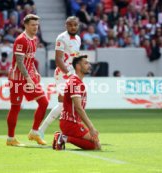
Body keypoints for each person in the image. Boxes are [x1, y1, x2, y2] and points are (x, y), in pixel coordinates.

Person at [6, 14, 48, 146]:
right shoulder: (20, 40)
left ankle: (34, 132)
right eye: (32, 25)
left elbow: (30, 60)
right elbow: (19, 62)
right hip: (18, 79)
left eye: (37, 25)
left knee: (44, 102)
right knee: (15, 107)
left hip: (29, 76)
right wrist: (28, 78)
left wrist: (35, 72)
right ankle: (10, 139)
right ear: (26, 25)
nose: (35, 27)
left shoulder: (34, 39)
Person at [38, 16, 81, 139]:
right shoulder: (61, 38)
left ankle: (71, 131)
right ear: (65, 26)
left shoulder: (78, 38)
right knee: (64, 104)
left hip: (73, 74)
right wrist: (69, 74)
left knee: (72, 104)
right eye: (70, 25)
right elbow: (58, 60)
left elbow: (74, 57)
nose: (73, 27)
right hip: (63, 74)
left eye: (75, 25)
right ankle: (42, 130)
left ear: (78, 26)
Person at [53, 55, 101, 150]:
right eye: (86, 63)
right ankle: (63, 138)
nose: (89, 65)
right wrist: (91, 127)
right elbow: (78, 108)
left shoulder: (75, 81)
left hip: (71, 122)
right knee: (96, 145)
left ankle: (62, 137)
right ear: (78, 66)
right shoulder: (75, 82)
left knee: (94, 144)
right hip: (70, 123)